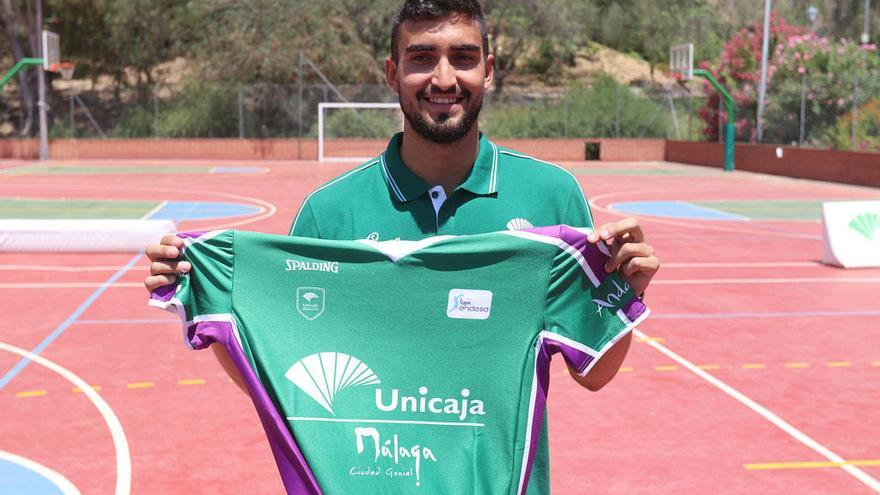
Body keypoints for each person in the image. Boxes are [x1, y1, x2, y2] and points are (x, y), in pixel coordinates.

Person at [145, 0, 659, 492]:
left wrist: (625, 293)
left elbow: (595, 373)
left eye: (462, 57)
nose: (443, 79)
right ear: (393, 74)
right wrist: (205, 296)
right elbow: (284, 371)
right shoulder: (330, 213)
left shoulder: (551, 196)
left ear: (489, 69)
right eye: (421, 59)